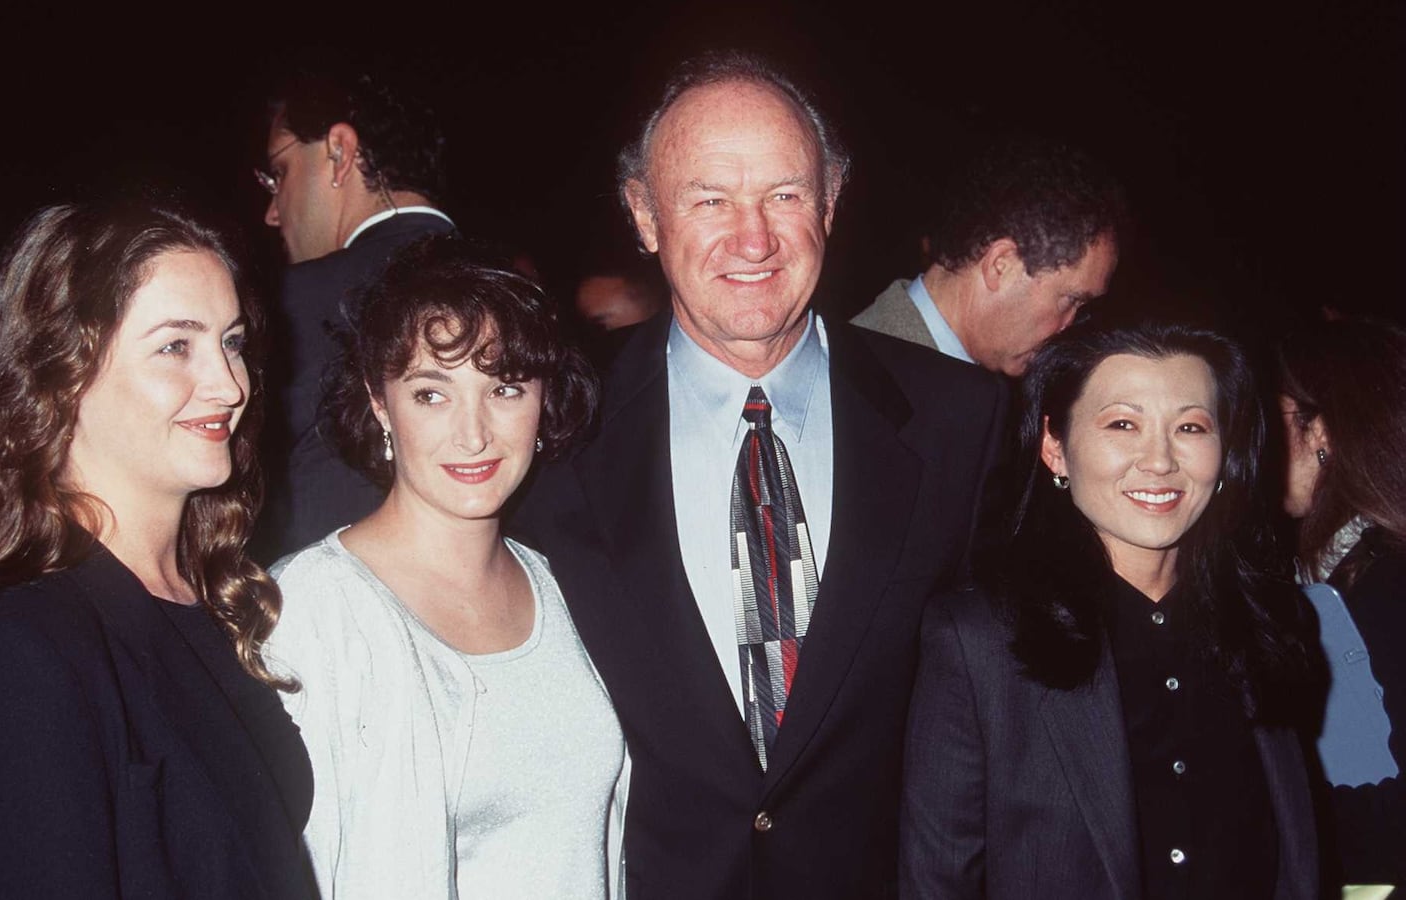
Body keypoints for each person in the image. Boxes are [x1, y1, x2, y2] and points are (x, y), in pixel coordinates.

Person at [515, 51, 1006, 898]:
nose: (754, 239)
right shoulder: (550, 424)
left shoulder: (961, 423)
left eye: (784, 195)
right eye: (710, 199)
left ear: (831, 201)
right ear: (644, 215)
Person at [0, 199, 316, 900]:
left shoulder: (206, 595)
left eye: (232, 342)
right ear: (63, 370)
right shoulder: (20, 647)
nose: (230, 385)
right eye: (176, 346)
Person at [900, 319, 1321, 898]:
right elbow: (937, 880)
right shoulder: (979, 642)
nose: (1160, 460)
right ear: (1055, 447)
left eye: (1191, 427)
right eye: (1123, 424)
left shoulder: (1269, 621)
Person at [265, 235, 622, 900]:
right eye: (431, 394)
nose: (473, 434)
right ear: (380, 403)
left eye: (505, 389)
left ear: (543, 400)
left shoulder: (564, 587)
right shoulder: (313, 609)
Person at [255, 68, 456, 559]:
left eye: (279, 173)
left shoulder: (291, 306)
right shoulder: (525, 292)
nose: (272, 212)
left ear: (340, 153)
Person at [1277, 317, 1406, 885]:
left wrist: (1275, 815)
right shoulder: (1338, 570)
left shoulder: (1386, 583)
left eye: (1271, 417)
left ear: (1321, 431)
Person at [851, 138, 1123, 377]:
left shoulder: (966, 383)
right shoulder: (859, 379)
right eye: (1071, 300)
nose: (1067, 327)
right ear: (1001, 265)